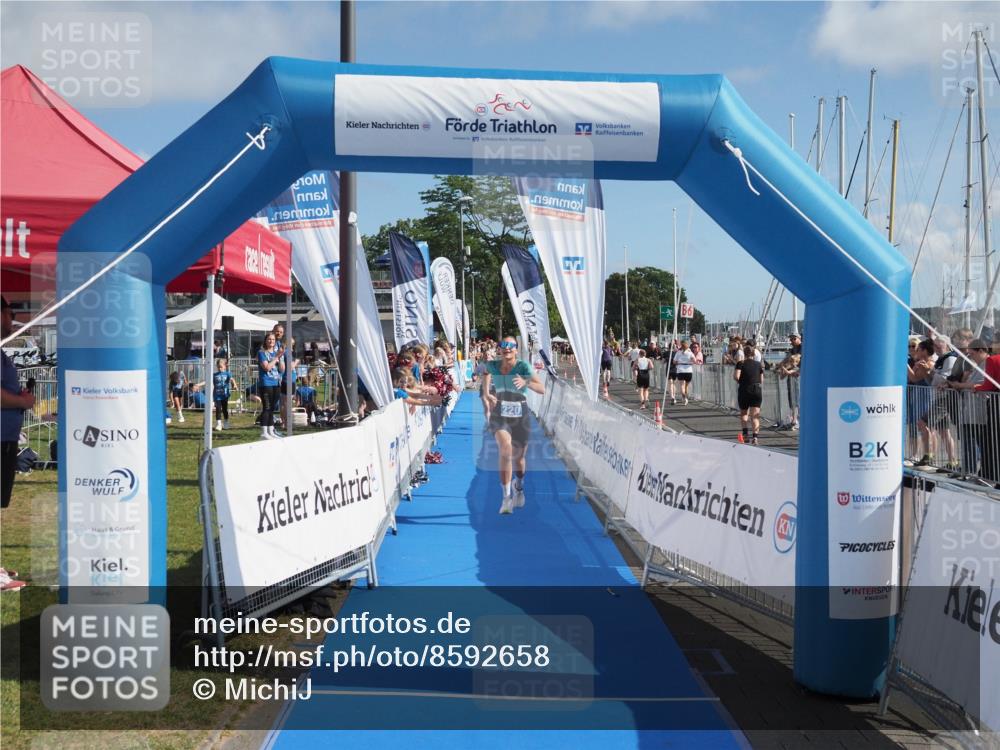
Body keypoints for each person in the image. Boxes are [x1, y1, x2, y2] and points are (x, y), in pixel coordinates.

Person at [481, 336, 545, 514]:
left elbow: (542, 389)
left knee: (519, 459)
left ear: (516, 349)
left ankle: (519, 486)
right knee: (506, 449)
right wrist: (486, 394)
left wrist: (526, 382)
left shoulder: (523, 366)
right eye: (503, 345)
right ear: (499, 349)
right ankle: (506, 498)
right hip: (499, 412)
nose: (506, 348)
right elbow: (485, 373)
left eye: (511, 346)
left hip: (520, 414)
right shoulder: (493, 365)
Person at [734, 343, 764, 445]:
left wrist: (741, 382)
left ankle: (746, 434)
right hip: (756, 389)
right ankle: (755, 437)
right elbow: (761, 380)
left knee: (744, 413)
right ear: (753, 353)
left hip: (744, 389)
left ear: (744, 354)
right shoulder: (758, 364)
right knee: (755, 415)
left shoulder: (740, 363)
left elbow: (736, 376)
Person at [257, 332, 285, 440]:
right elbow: (267, 367)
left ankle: (270, 430)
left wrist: (281, 358)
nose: (271, 341)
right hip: (266, 383)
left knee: (272, 408)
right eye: (269, 339)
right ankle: (263, 432)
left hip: (276, 382)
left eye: (273, 340)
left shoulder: (276, 353)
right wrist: (276, 357)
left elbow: (282, 369)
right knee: (267, 407)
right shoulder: (261, 353)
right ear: (265, 340)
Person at [213, 358, 234, 431]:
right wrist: (199, 385)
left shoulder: (227, 373)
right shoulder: (214, 375)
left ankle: (226, 422)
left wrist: (234, 384)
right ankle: (219, 424)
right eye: (218, 367)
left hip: (224, 395)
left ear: (225, 366)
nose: (219, 368)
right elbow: (208, 382)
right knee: (218, 409)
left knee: (225, 409)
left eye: (221, 367)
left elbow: (232, 379)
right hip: (217, 395)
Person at [672, 340, 696, 405]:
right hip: (688, 370)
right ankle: (686, 398)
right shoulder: (690, 353)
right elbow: (695, 361)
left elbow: (674, 362)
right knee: (686, 386)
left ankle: (684, 398)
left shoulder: (678, 353)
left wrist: (678, 362)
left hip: (680, 370)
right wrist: (690, 361)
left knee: (682, 385)